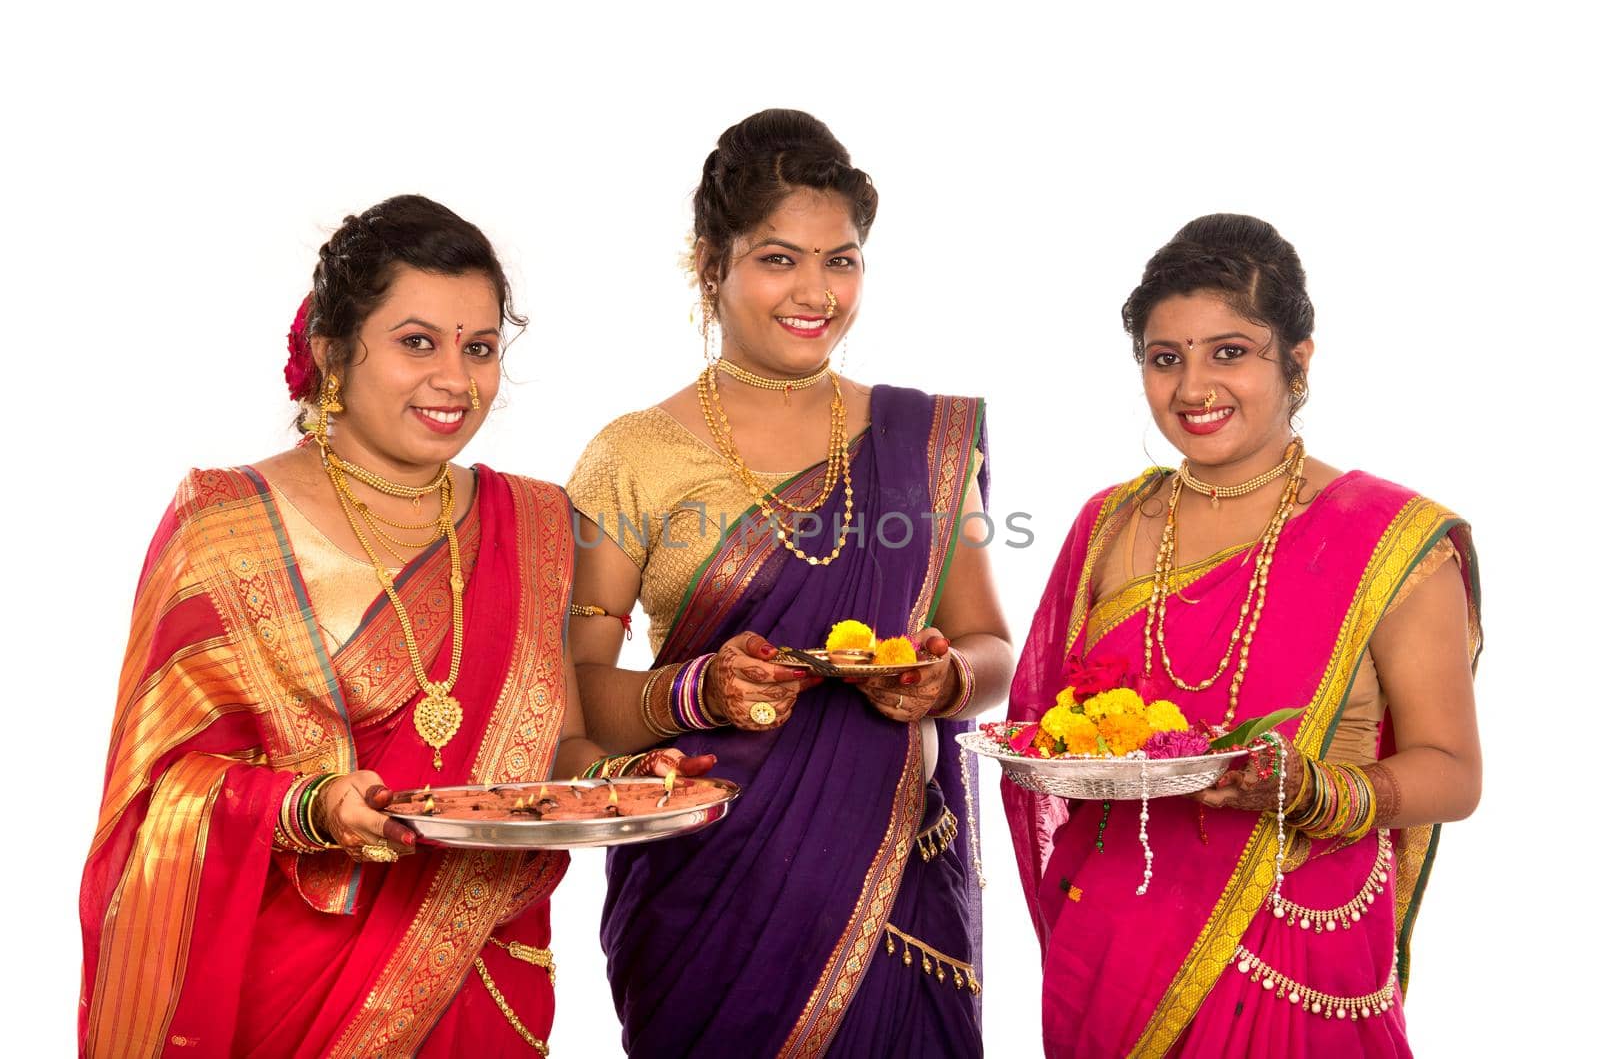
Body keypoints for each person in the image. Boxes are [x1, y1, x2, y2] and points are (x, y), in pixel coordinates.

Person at [79, 194, 693, 1057]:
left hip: (482, 973)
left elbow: (555, 751)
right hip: (297, 987)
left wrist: (627, 780)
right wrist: (309, 804)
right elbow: (156, 800)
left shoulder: (538, 523)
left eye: (479, 348)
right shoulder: (223, 525)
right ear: (333, 354)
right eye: (417, 343)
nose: (456, 379)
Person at [566, 109, 1012, 1057]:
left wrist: (944, 681)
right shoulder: (631, 457)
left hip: (893, 886)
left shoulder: (921, 443)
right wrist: (697, 690)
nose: (816, 292)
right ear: (710, 265)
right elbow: (569, 700)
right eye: (779, 259)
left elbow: (992, 649)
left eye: (840, 260)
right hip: (706, 891)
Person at [1001, 213, 1482, 1057]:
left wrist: (1314, 794)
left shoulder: (1386, 539)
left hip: (1294, 942)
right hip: (1114, 939)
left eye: (1230, 352)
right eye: (1165, 358)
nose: (1193, 388)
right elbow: (1048, 727)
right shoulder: (1107, 525)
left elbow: (1453, 772)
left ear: (1297, 360)